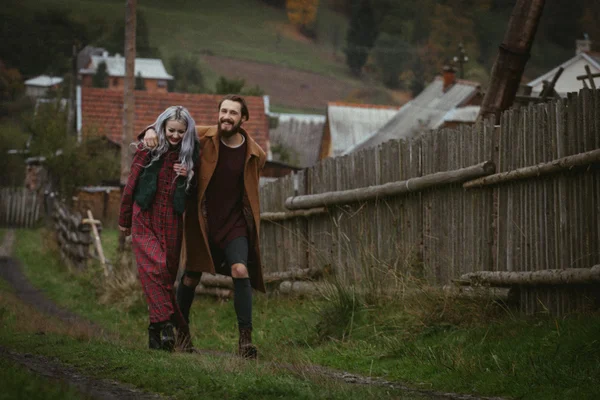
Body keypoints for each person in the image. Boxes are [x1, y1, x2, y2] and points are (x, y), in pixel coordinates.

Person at [141, 94, 266, 359]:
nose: (226, 117)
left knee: (240, 269)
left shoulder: (255, 153)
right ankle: (183, 336)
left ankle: (245, 342)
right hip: (202, 221)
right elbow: (170, 128)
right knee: (190, 277)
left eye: (233, 113)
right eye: (223, 111)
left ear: (243, 119)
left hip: (234, 224)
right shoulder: (200, 135)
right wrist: (150, 130)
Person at [119, 105, 200, 351]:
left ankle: (156, 333)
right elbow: (130, 185)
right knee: (157, 267)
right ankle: (171, 327)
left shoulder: (191, 154)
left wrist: (190, 175)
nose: (175, 136)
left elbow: (194, 194)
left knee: (165, 276)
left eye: (181, 132)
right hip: (144, 216)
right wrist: (124, 221)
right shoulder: (148, 147)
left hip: (172, 222)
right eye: (171, 130)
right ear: (163, 127)